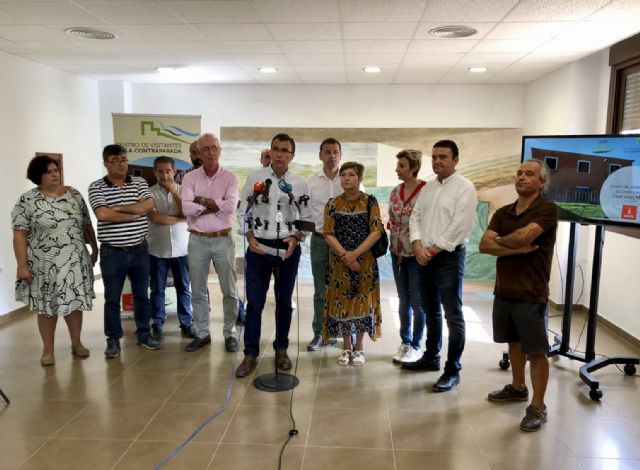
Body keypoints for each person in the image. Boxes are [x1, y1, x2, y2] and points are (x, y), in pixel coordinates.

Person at [479, 159, 557, 432]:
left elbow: (525, 236)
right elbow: (484, 245)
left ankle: (538, 406)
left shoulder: (547, 209)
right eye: (519, 173)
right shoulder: (504, 212)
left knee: (536, 350)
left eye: (529, 174)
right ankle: (517, 387)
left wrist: (501, 242)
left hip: (531, 291)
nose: (522, 177)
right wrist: (512, 247)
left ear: (541, 182)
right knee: (513, 341)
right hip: (504, 289)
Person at [235, 133, 310, 377]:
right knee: (254, 303)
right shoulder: (255, 178)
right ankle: (250, 354)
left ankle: (281, 350)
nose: (280, 154)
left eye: (285, 150)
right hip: (258, 247)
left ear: (292, 156)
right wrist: (249, 237)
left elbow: (307, 218)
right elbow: (243, 211)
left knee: (284, 303)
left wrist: (296, 238)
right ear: (270, 152)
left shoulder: (300, 183)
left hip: (287, 248)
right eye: (276, 149)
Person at [405, 139, 477, 392]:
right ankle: (431, 358)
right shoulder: (428, 187)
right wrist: (416, 245)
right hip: (423, 256)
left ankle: (452, 370)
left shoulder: (465, 187)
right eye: (434, 157)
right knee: (430, 310)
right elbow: (415, 216)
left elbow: (459, 225)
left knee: (452, 314)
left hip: (448, 257)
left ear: (455, 160)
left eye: (443, 157)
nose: (437, 161)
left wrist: (432, 250)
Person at [12, 155, 97, 366]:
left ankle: (76, 343)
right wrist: (22, 265)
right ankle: (48, 350)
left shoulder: (74, 195)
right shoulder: (27, 200)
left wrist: (94, 248)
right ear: (38, 176)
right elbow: (19, 234)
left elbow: (86, 225)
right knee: (46, 306)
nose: (54, 174)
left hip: (75, 260)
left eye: (56, 170)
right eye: (49, 172)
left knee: (74, 303)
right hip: (44, 263)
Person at [88, 144, 160, 358]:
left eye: (123, 159)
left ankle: (144, 333)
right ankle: (113, 339)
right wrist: (134, 213)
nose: (121, 164)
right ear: (106, 163)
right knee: (112, 298)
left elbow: (147, 206)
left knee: (141, 295)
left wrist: (118, 208)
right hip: (113, 253)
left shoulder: (139, 182)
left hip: (139, 249)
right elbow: (102, 215)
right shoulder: (96, 187)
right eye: (115, 160)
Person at [181, 133, 240, 353]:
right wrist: (217, 204)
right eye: (205, 149)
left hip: (223, 239)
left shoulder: (230, 178)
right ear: (198, 152)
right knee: (197, 290)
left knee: (229, 290)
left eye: (214, 147)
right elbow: (185, 208)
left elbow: (231, 206)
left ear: (220, 150)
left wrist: (202, 201)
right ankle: (202, 333)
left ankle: (230, 332)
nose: (210, 152)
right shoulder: (189, 178)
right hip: (197, 240)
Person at [323, 161, 383, 367]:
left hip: (364, 262)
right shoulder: (332, 203)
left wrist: (354, 255)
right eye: (343, 175)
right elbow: (328, 233)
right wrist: (345, 256)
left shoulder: (370, 201)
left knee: (362, 301)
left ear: (360, 178)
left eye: (351, 175)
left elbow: (376, 231)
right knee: (343, 302)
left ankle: (359, 347)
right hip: (339, 262)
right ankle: (346, 346)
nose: (346, 178)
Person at [147, 156, 195, 341]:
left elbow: (188, 212)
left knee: (184, 288)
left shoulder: (184, 191)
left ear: (174, 172)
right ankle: (157, 324)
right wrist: (182, 218)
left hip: (182, 249)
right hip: (157, 249)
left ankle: (186, 323)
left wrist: (174, 192)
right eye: (160, 171)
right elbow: (156, 218)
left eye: (168, 171)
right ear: (155, 172)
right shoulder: (149, 193)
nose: (165, 175)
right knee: (157, 289)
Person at [388, 149, 427, 363]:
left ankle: (416, 345)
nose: (397, 169)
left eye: (401, 166)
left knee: (417, 302)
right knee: (403, 300)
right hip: (397, 254)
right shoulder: (395, 191)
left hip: (417, 255)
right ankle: (405, 341)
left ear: (414, 168)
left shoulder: (426, 191)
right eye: (397, 165)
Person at [306, 137, 343, 351]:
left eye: (335, 152)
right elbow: (305, 213)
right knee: (320, 291)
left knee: (343, 289)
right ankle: (319, 333)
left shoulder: (349, 179)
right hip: (319, 241)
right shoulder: (311, 183)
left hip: (343, 244)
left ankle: (343, 332)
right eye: (327, 152)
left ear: (340, 155)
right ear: (320, 155)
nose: (331, 156)